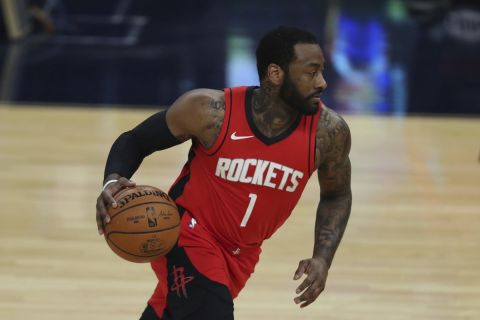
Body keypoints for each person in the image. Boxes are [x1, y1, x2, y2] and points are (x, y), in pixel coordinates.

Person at [95, 26, 352, 320]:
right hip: (187, 234)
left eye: (322, 71)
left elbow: (337, 195)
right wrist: (113, 181)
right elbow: (136, 141)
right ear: (276, 74)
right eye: (311, 72)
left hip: (242, 256)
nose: (322, 82)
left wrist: (323, 257)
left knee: (171, 309)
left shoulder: (328, 133)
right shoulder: (210, 112)